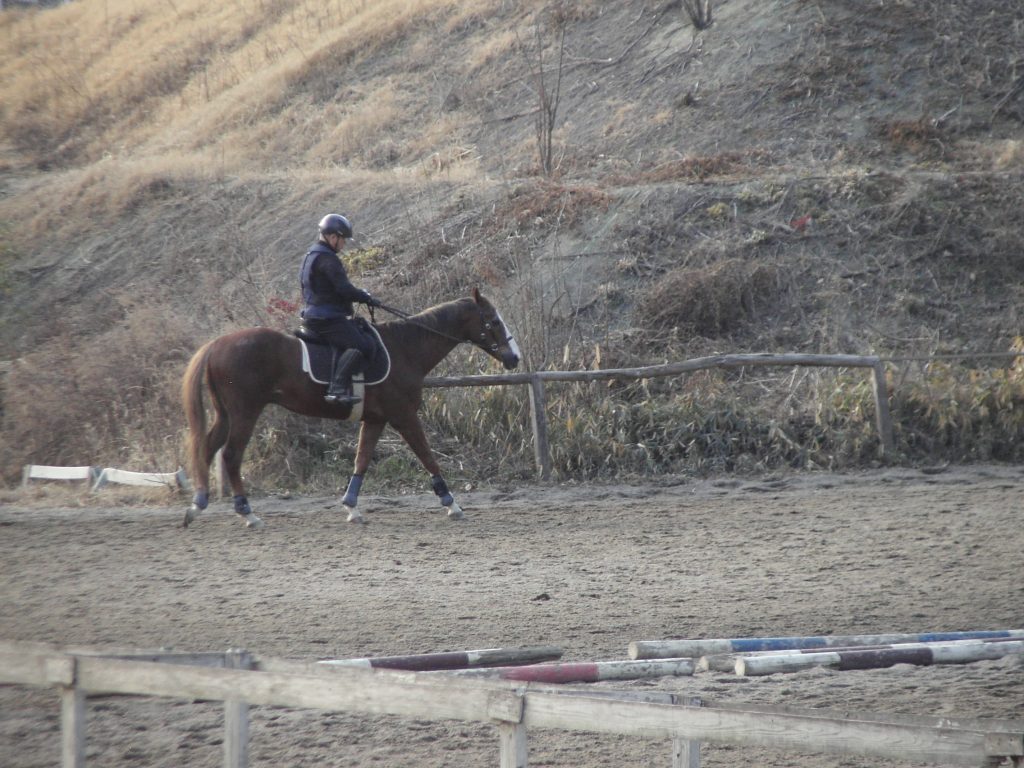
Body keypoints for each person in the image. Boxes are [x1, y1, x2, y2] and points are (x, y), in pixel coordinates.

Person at [299, 213, 382, 405]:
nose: (343, 245)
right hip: (327, 319)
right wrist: (366, 297)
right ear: (333, 237)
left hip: (312, 315)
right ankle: (336, 389)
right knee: (363, 345)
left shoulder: (310, 255)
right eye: (343, 240)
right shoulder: (328, 259)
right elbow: (344, 289)